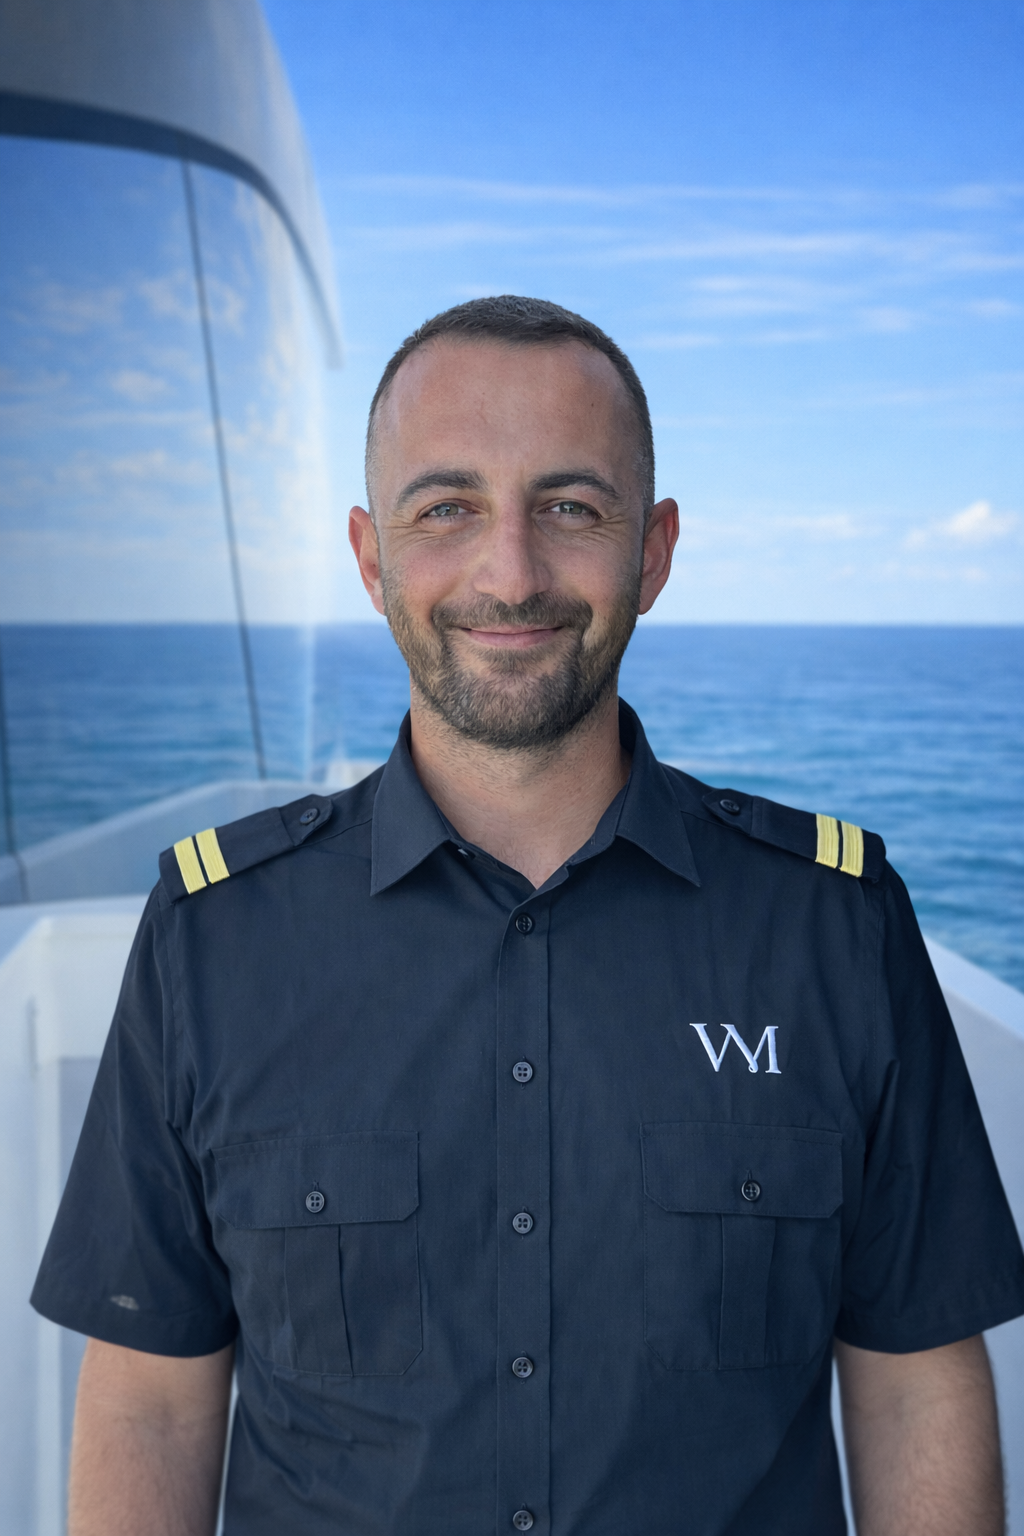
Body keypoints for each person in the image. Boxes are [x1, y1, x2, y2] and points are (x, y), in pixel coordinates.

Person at [33, 296, 1024, 1536]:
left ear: (652, 552)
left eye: (570, 507)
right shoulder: (215, 934)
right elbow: (152, 1398)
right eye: (446, 508)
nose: (510, 573)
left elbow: (913, 1380)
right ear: (369, 556)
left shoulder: (834, 926)